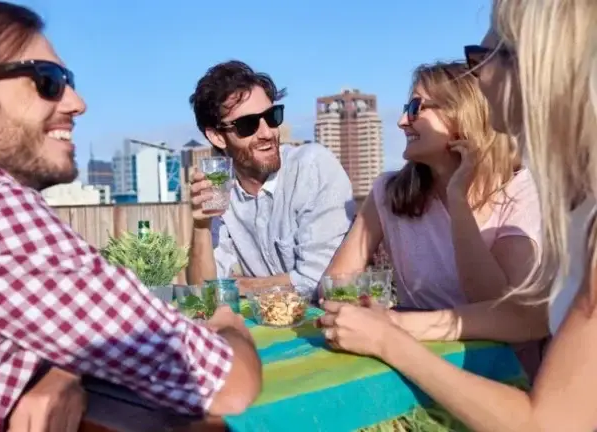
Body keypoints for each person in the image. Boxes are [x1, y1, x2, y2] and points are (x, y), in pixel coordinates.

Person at [0, 3, 261, 431]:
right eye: (47, 81)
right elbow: (228, 383)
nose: (77, 103)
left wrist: (62, 373)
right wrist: (229, 327)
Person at [319, 1, 597, 430]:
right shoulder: (578, 204)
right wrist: (396, 324)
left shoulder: (546, 199)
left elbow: (546, 423)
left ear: (535, 66)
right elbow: (527, 315)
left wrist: (390, 340)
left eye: (480, 58)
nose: (477, 76)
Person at [321, 61, 546, 377]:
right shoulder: (388, 192)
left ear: (462, 114)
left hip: (504, 374)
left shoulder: (519, 190)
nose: (402, 122)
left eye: (415, 108)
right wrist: (367, 311)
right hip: (408, 364)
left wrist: (458, 200)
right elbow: (334, 285)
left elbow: (502, 310)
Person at [186, 60, 354, 297]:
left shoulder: (311, 167)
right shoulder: (220, 189)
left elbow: (320, 282)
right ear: (217, 137)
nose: (267, 133)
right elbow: (203, 294)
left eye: (272, 116)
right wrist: (201, 226)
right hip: (264, 318)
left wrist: (240, 285)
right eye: (247, 125)